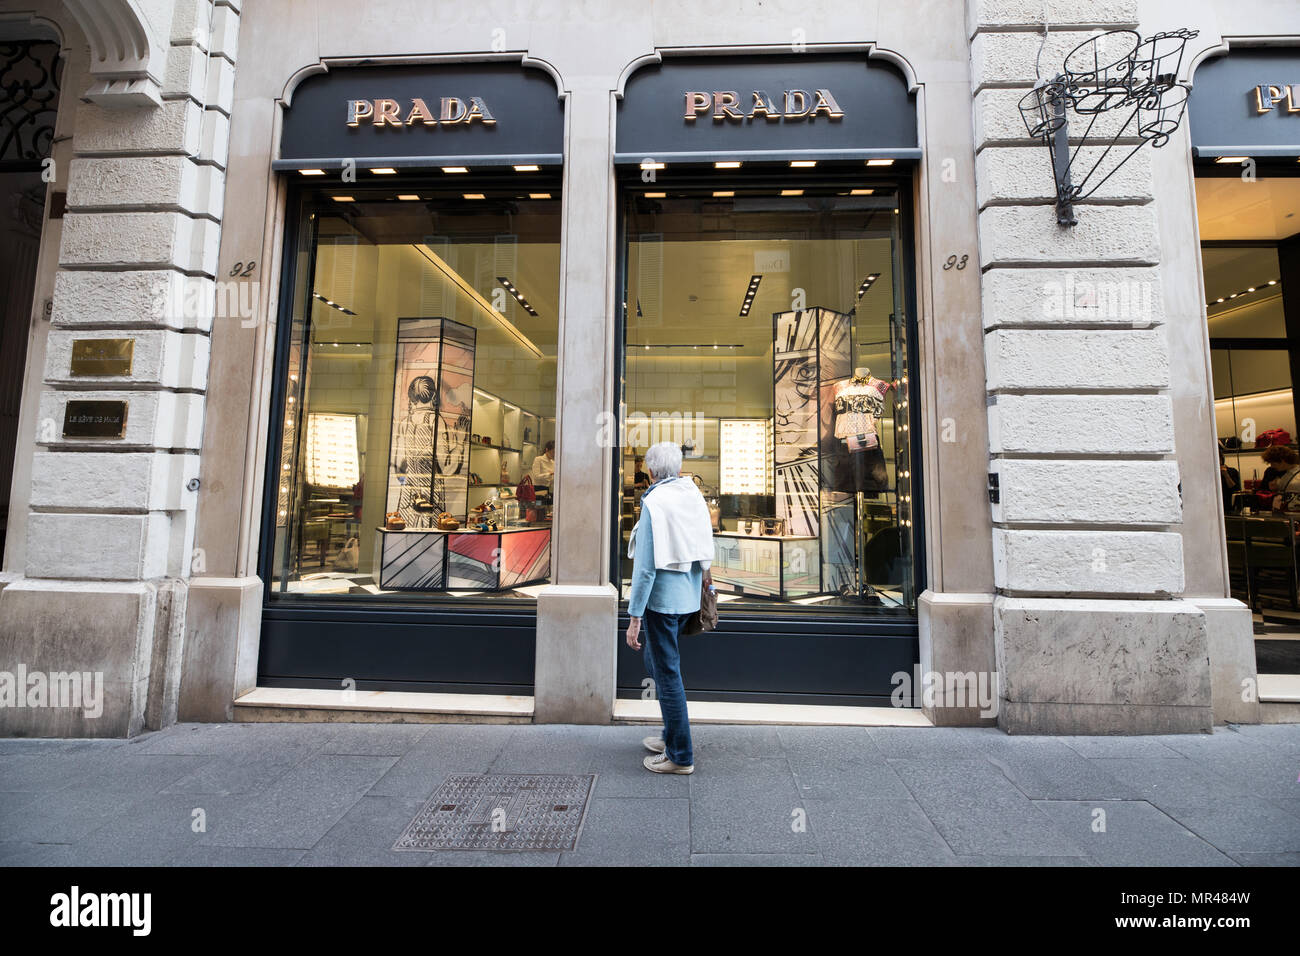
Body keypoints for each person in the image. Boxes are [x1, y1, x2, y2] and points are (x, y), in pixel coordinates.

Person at [624, 440, 715, 774]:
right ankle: (671, 733)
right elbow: (706, 543)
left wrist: (634, 618)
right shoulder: (692, 494)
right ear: (677, 469)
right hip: (687, 598)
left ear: (650, 472)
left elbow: (645, 568)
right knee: (659, 663)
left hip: (661, 603)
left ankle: (680, 755)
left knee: (667, 673)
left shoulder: (654, 503)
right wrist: (708, 582)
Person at [1219, 445, 1239, 512]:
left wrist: (1226, 474)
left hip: (1228, 504)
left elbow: (1235, 489)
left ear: (1221, 459)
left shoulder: (1232, 471)